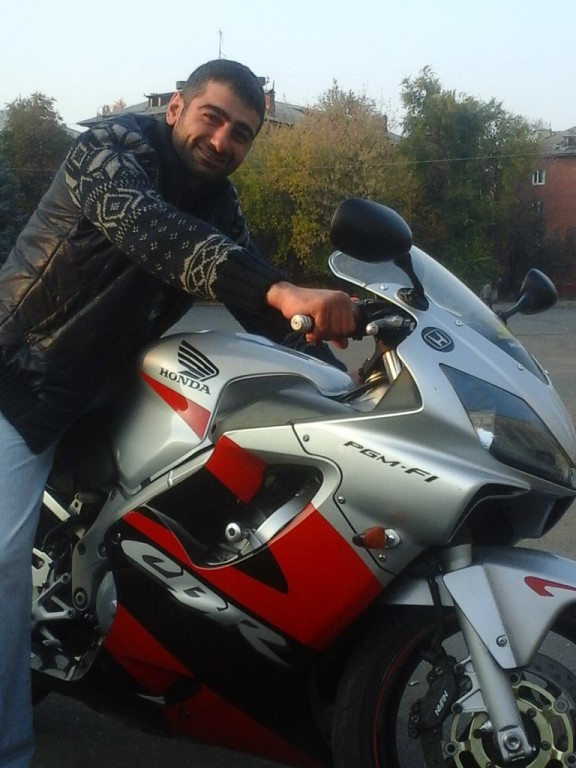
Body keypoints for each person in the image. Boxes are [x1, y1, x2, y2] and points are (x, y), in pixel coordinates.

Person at [0, 59, 356, 767]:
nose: (222, 140)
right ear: (175, 108)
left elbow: (256, 296)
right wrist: (279, 288)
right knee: (1, 563)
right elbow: (153, 231)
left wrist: (345, 372)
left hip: (110, 388)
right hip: (22, 378)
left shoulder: (219, 203)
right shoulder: (107, 150)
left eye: (241, 133)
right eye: (212, 118)